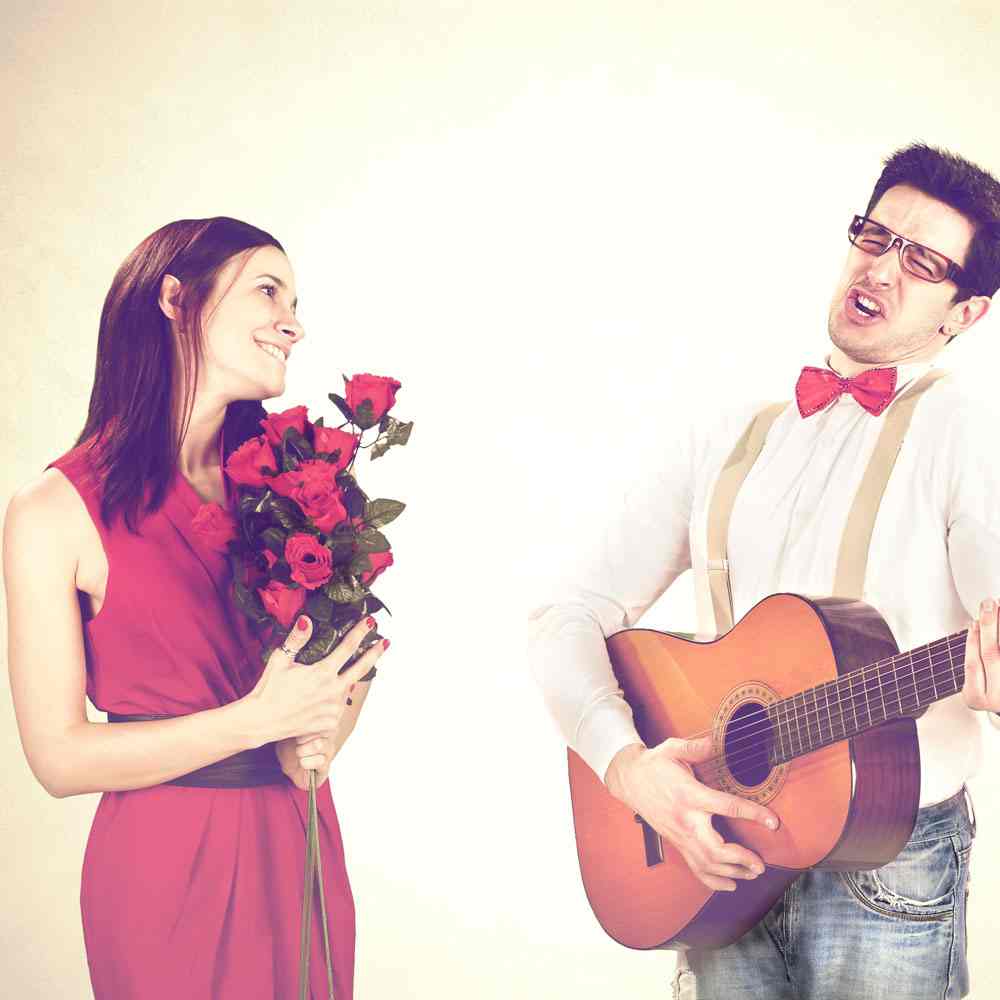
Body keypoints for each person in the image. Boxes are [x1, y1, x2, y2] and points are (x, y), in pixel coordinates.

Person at [528, 143, 1000, 999]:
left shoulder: (967, 430)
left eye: (923, 261)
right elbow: (566, 611)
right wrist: (627, 765)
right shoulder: (729, 433)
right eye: (875, 236)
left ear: (963, 313)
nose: (883, 270)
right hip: (718, 860)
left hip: (886, 873)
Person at [3, 217, 388, 999]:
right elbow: (59, 758)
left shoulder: (300, 485)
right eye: (268, 290)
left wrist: (323, 727)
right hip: (165, 867)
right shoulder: (52, 513)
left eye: (295, 299)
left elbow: (343, 669)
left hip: (297, 845)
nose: (295, 323)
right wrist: (260, 720)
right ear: (176, 300)